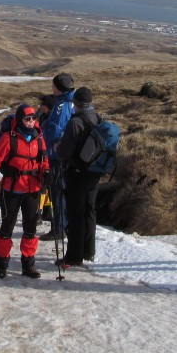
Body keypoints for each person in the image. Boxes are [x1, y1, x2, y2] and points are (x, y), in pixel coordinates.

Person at [0, 104, 49, 279]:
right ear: (20, 120)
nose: (31, 121)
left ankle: (28, 264)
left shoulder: (39, 139)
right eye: (27, 118)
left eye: (33, 118)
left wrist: (47, 172)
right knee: (7, 227)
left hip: (33, 189)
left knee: (30, 228)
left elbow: (44, 162)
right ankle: (2, 264)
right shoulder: (9, 138)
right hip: (11, 189)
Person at [55, 87, 101, 268]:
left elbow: (65, 152)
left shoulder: (75, 122)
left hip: (77, 173)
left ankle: (73, 257)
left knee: (76, 215)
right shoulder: (97, 118)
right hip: (94, 173)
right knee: (90, 211)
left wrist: (58, 147)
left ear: (77, 104)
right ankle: (89, 251)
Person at [39, 73, 76, 240]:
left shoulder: (62, 105)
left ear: (60, 88)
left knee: (57, 192)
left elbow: (55, 129)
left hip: (57, 155)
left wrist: (43, 127)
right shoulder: (69, 102)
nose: (51, 88)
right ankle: (61, 225)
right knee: (59, 191)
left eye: (53, 86)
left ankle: (59, 228)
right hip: (63, 154)